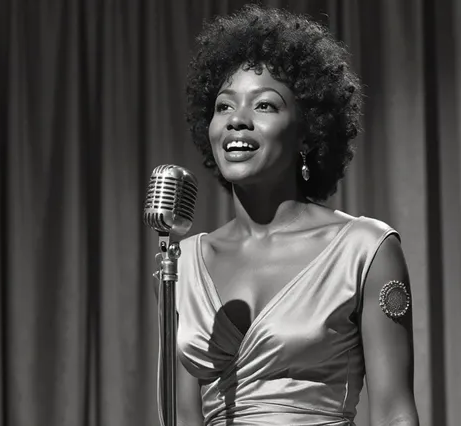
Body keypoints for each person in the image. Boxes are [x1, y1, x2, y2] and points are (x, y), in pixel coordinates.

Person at [165, 4, 419, 425]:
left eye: (264, 106)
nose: (237, 121)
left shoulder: (366, 251)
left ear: (307, 131)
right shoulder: (183, 263)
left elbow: (395, 414)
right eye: (223, 106)